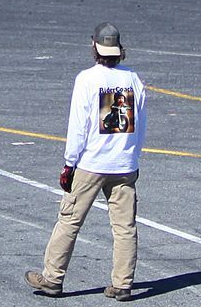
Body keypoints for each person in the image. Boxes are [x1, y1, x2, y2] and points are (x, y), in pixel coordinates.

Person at [24, 23, 148, 300]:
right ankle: (123, 283)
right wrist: (133, 156)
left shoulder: (87, 79)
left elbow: (78, 127)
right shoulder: (134, 80)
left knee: (69, 220)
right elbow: (141, 124)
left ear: (95, 47)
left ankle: (52, 278)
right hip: (124, 164)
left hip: (92, 163)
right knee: (125, 227)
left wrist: (69, 163)